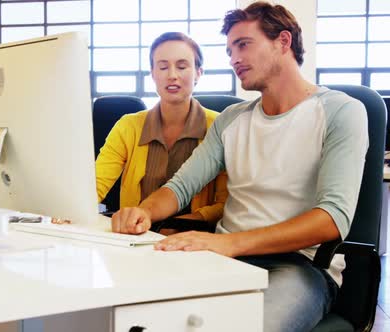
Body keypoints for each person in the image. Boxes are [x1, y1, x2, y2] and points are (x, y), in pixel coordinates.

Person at [110, 3, 368, 332]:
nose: (233, 58)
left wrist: (232, 243)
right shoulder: (232, 119)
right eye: (229, 49)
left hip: (299, 265)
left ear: (283, 42)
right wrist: (144, 211)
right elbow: (180, 186)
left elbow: (332, 219)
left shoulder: (342, 112)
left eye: (243, 45)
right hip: (222, 258)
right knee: (137, 315)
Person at [95, 32, 228, 232]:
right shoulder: (128, 126)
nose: (172, 75)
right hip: (135, 236)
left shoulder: (220, 127)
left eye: (182, 67)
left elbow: (227, 203)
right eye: (163, 67)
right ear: (153, 73)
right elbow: (96, 184)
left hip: (195, 240)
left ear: (198, 73)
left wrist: (179, 224)